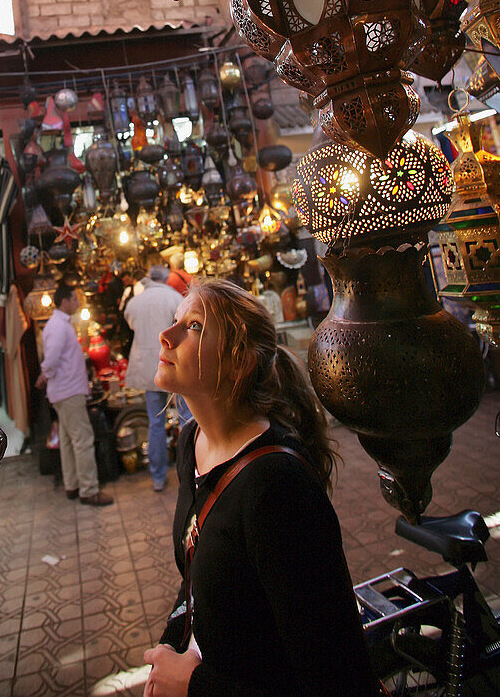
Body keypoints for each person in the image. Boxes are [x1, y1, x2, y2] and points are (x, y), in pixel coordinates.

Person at [143, 279, 383, 697]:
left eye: (194, 326)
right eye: (175, 321)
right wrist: (172, 642)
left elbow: (336, 677)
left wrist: (194, 685)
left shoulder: (275, 487)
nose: (167, 335)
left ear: (239, 363)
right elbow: (195, 580)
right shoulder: (190, 444)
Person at [35, 283, 113, 506]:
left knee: (69, 440)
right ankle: (89, 490)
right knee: (82, 439)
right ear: (65, 301)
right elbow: (51, 359)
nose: (78, 303)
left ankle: (72, 485)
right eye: (75, 299)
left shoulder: (58, 325)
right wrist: (44, 375)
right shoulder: (59, 327)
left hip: (63, 391)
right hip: (68, 391)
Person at [123, 266, 181, 491]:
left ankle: (158, 478)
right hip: (174, 366)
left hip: (149, 369)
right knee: (186, 419)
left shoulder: (135, 302)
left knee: (155, 423)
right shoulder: (173, 297)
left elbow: (131, 324)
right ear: (166, 278)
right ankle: (189, 476)